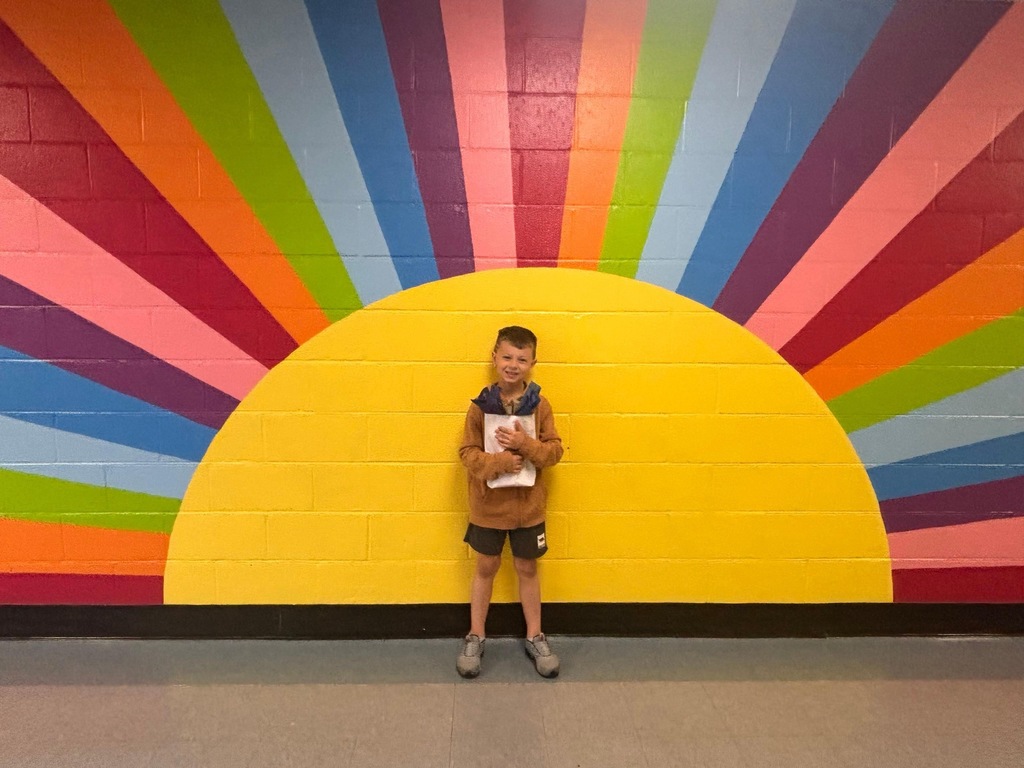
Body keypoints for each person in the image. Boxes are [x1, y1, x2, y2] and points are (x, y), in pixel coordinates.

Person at [456, 325, 564, 678]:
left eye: (521, 358)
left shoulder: (540, 405)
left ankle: (535, 635)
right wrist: (500, 462)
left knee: (527, 569)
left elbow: (553, 452)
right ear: (494, 358)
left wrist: (524, 445)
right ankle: (476, 635)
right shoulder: (480, 407)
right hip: (488, 508)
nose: (513, 364)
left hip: (528, 511)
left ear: (533, 362)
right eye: (506, 356)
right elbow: (467, 453)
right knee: (486, 567)